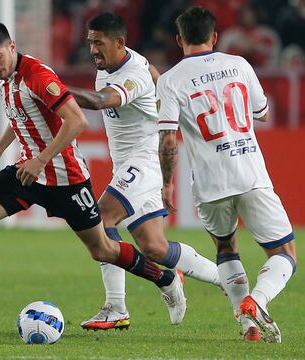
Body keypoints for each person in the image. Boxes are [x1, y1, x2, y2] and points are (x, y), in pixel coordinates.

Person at [0, 21, 185, 331]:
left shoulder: (39, 76)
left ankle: (165, 278)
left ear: (12, 47)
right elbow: (20, 114)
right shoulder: (10, 77)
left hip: (64, 177)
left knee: (103, 250)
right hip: (27, 174)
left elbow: (77, 121)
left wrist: (42, 159)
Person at [67, 12, 221, 331]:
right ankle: (227, 280)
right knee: (155, 247)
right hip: (129, 163)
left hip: (145, 159)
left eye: (99, 43)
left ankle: (115, 307)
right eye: (89, 42)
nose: (92, 50)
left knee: (101, 218)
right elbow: (158, 77)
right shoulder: (122, 62)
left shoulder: (131, 75)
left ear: (119, 43)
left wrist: (54, 90)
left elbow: (99, 101)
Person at [156, 6, 297, 343]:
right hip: (250, 174)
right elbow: (261, 112)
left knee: (225, 248)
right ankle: (257, 301)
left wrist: (167, 183)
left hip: (209, 183)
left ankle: (248, 326)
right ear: (215, 36)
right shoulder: (239, 65)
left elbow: (167, 137)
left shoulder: (171, 79)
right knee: (285, 254)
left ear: (179, 40)